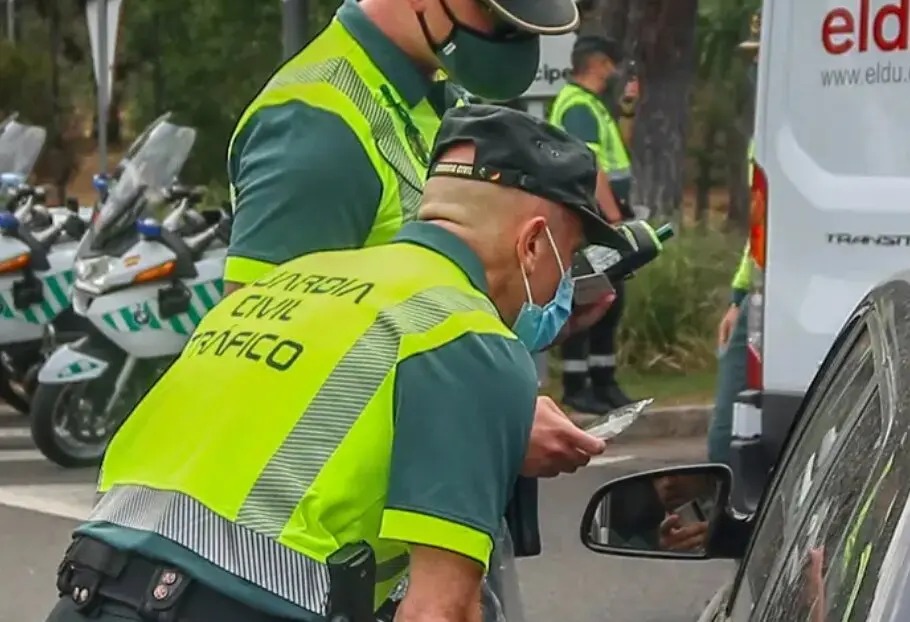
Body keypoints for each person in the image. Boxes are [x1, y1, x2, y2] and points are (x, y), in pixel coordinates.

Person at [43, 105, 626, 622]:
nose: (565, 283)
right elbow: (438, 610)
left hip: (89, 588)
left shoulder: (299, 278)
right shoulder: (471, 336)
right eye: (567, 256)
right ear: (531, 244)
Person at [227, 0, 616, 494]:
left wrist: (535, 304)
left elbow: (415, 307)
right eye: (498, 17)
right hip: (333, 536)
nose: (511, 38)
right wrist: (486, 419)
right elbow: (261, 367)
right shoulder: (321, 127)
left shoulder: (432, 93)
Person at [548, 34, 639, 414]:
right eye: (611, 62)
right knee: (590, 294)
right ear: (598, 63)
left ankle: (604, 382)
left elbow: (619, 155)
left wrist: (630, 110)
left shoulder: (593, 106)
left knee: (610, 299)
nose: (614, 69)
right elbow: (592, 164)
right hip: (591, 216)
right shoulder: (578, 107)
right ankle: (577, 384)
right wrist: (613, 216)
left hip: (601, 213)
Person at [708, 11, 760, 464]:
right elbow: (761, 231)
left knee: (727, 434)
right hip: (760, 289)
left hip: (774, 291)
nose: (755, 68)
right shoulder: (767, 132)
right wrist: (738, 296)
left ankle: (721, 523)